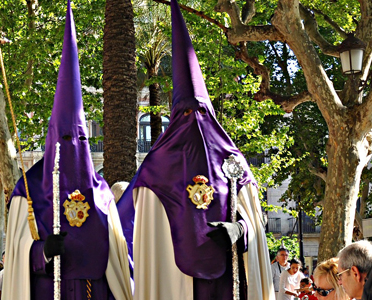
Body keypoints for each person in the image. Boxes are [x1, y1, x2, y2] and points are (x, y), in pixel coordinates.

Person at [114, 1, 274, 299]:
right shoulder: (156, 167)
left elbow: (257, 221)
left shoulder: (233, 160)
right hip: (176, 284)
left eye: (200, 112)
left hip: (230, 282)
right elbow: (143, 234)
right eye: (186, 114)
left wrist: (241, 231)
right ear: (175, 116)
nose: (194, 121)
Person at [1, 4, 132, 300]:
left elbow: (118, 262)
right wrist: (41, 252)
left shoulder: (101, 193)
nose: (71, 144)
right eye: (63, 137)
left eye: (79, 138)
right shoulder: (29, 189)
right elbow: (17, 255)